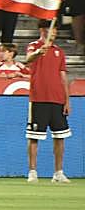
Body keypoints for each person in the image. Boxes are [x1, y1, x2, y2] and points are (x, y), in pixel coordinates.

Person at [25, 21, 71, 183]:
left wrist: (67, 100)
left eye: (55, 30)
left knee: (60, 136)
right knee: (34, 136)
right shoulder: (34, 46)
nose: (53, 32)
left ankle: (58, 172)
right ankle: (32, 171)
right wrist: (39, 52)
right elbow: (28, 59)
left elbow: (63, 77)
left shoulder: (59, 52)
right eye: (50, 29)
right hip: (39, 98)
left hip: (57, 99)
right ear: (42, 30)